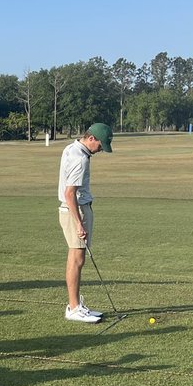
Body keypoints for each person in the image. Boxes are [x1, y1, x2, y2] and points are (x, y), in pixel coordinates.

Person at [60, 123, 113, 323]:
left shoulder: (72, 148)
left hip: (76, 208)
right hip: (76, 210)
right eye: (100, 145)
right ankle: (73, 308)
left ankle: (75, 305)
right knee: (77, 258)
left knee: (77, 257)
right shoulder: (80, 159)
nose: (100, 150)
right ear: (91, 138)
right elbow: (69, 193)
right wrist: (79, 223)